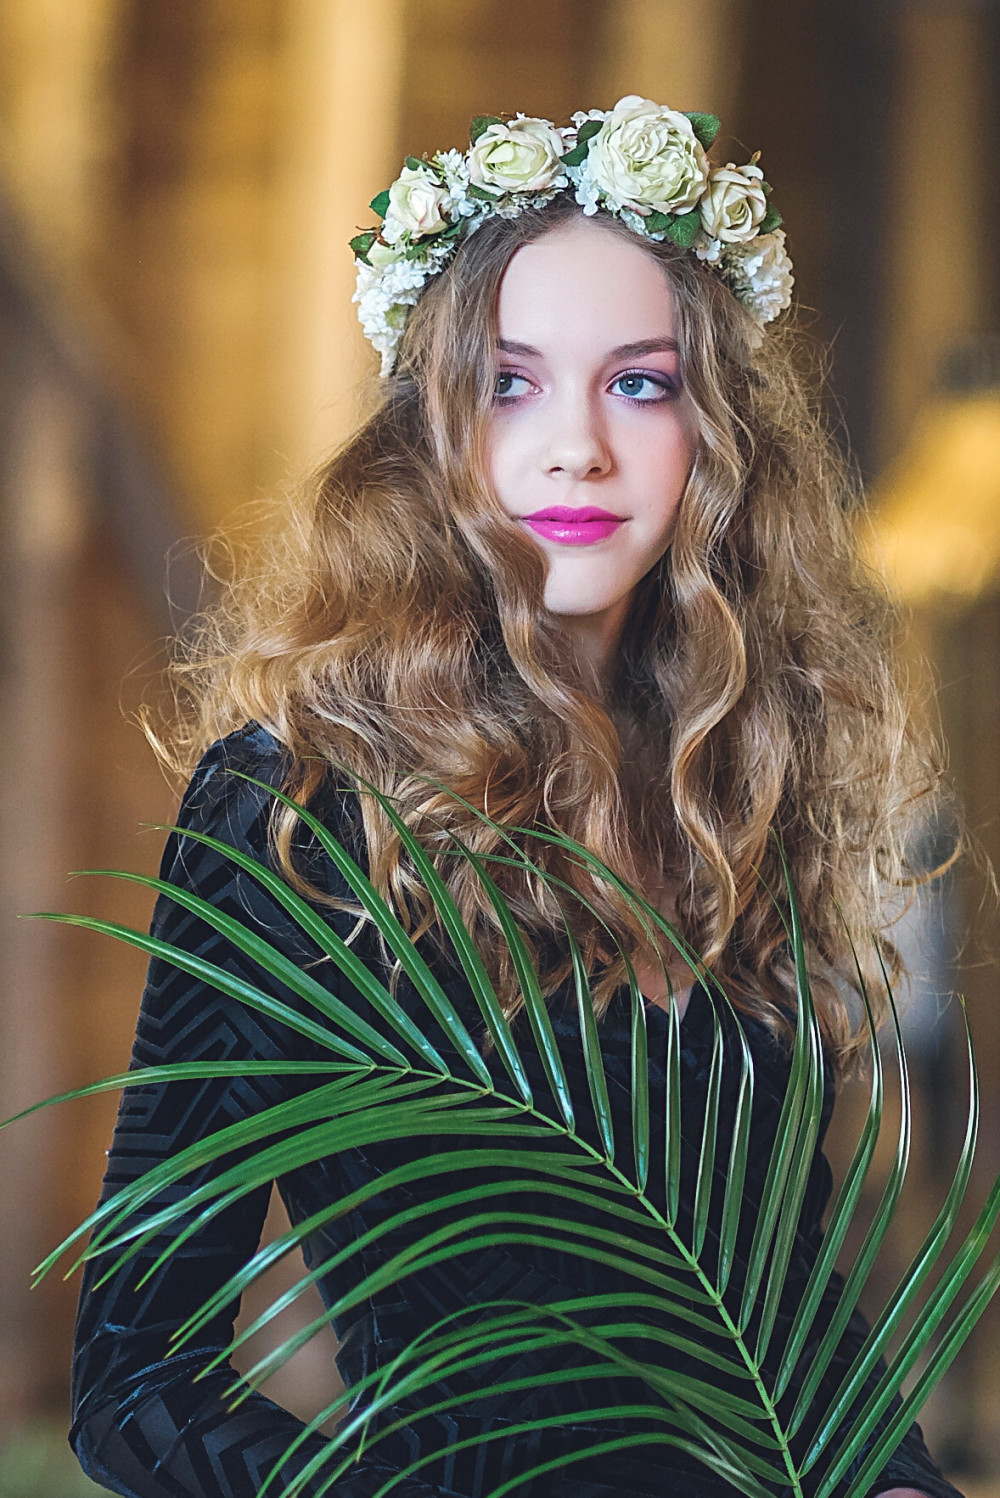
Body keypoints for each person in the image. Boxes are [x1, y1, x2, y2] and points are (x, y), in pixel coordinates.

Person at [69, 98, 963, 1497]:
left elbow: (773, 1304)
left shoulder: (738, 791)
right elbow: (133, 1383)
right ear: (432, 427)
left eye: (640, 383)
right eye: (512, 380)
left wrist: (900, 1479)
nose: (577, 448)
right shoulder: (298, 808)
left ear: (715, 432)